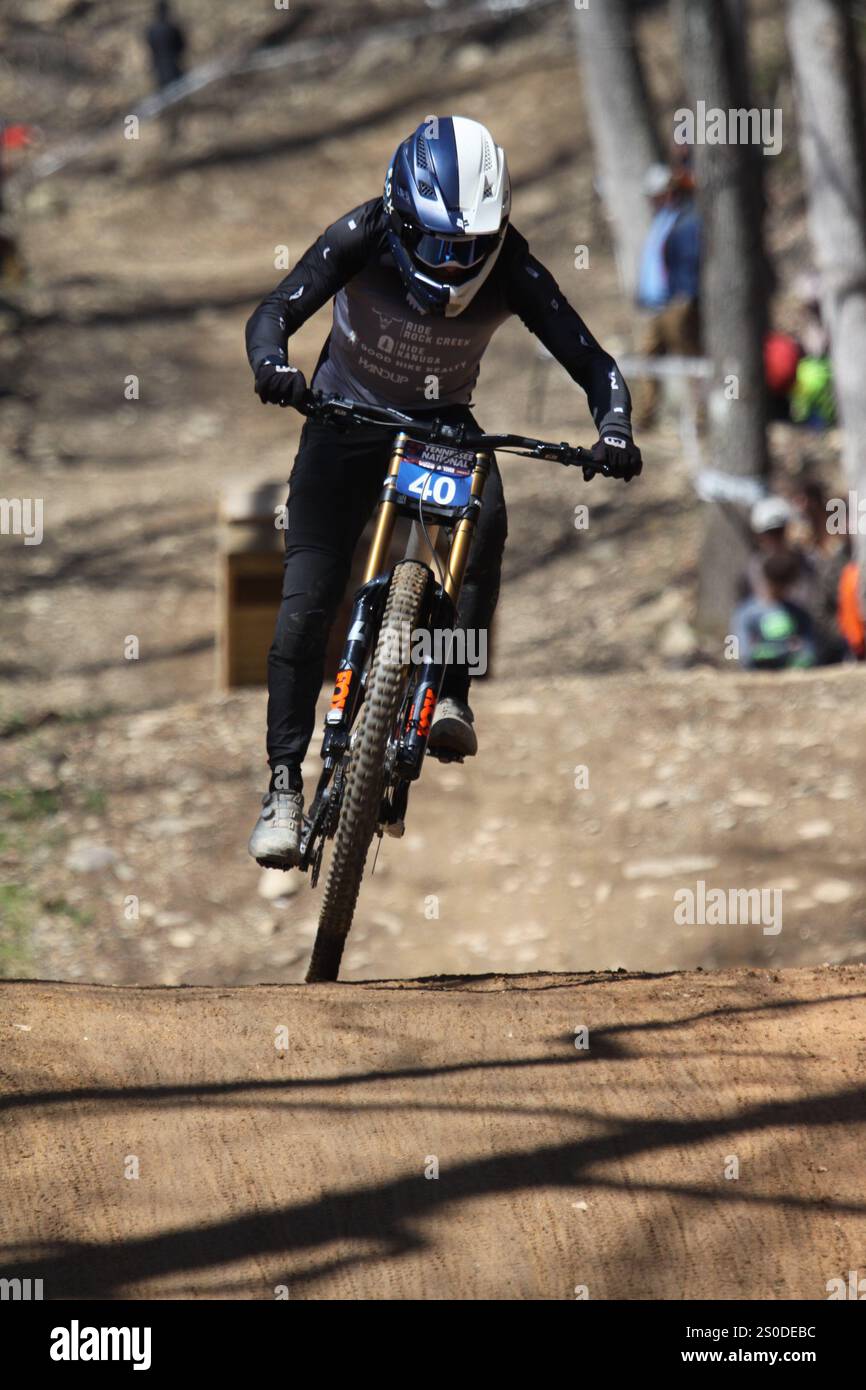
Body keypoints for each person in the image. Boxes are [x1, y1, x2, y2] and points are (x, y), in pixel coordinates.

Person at [245, 115, 642, 867]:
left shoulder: (514, 266)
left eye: (473, 249)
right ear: (398, 219)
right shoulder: (359, 234)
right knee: (303, 609)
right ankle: (282, 789)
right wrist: (274, 363)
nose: (456, 266)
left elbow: (593, 362)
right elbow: (274, 311)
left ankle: (451, 690)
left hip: (440, 424)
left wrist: (616, 428)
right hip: (343, 417)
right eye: (437, 246)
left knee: (487, 522)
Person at [633, 163, 701, 429]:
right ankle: (646, 416)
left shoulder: (688, 220)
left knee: (690, 359)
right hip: (656, 306)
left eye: (657, 195)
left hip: (679, 302)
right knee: (647, 359)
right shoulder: (660, 222)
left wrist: (687, 294)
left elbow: (691, 259)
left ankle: (702, 416)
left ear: (669, 192)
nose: (653, 201)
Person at [733, 551, 817, 670]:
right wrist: (786, 650)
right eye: (777, 584)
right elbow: (744, 654)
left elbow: (809, 652)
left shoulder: (797, 613)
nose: (782, 591)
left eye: (785, 585)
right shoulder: (748, 613)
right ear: (767, 580)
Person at [145, 1, 186, 91]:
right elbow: (182, 46)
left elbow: (151, 50)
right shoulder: (172, 28)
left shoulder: (151, 31)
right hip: (174, 67)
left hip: (160, 72)